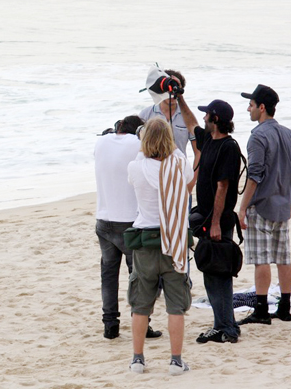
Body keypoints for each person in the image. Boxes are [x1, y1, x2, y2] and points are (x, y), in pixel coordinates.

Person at [126, 118, 193, 375]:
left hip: (145, 240)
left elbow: (139, 163)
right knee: (175, 305)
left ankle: (138, 360)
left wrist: (144, 143)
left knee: (140, 304)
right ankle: (176, 361)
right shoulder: (179, 164)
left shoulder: (136, 167)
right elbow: (178, 162)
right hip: (174, 240)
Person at [237, 85, 291, 325]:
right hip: (283, 205)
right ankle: (285, 308)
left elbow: (254, 176)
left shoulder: (258, 136)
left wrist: (242, 208)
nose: (248, 109)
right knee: (283, 257)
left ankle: (262, 310)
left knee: (261, 259)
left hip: (262, 206)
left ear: (262, 107)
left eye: (251, 105)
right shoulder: (290, 134)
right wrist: (287, 195)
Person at [95, 115, 162, 340]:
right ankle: (142, 322)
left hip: (103, 219)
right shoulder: (137, 144)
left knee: (108, 274)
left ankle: (110, 324)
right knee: (139, 277)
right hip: (131, 223)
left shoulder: (100, 143)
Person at [186, 100, 241, 343]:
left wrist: (216, 222)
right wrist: (178, 98)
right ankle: (226, 325)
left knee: (218, 272)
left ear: (215, 119)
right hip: (207, 217)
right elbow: (190, 124)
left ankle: (225, 328)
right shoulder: (208, 139)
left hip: (218, 219)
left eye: (207, 114)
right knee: (212, 271)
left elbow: (223, 186)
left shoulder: (228, 147)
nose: (204, 118)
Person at [139, 69, 197, 157]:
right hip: (153, 168)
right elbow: (137, 146)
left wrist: (193, 171)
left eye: (176, 89)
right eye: (168, 90)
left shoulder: (187, 117)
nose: (173, 94)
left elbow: (198, 151)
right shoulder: (146, 114)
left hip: (179, 167)